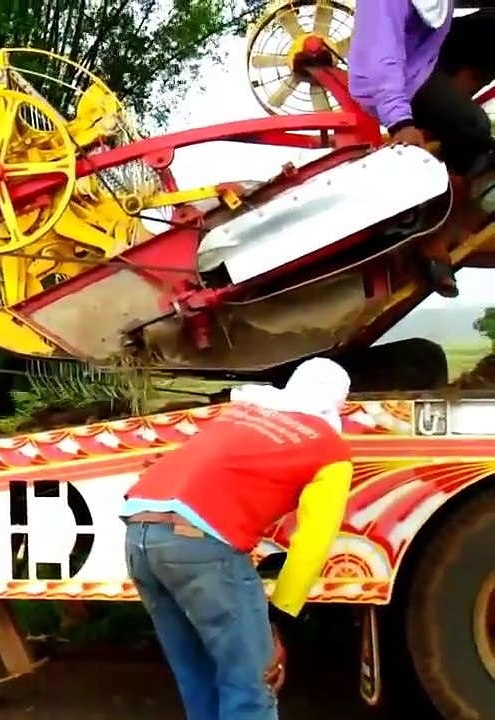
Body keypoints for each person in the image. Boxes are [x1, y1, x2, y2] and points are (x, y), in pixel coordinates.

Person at [120, 358, 354, 720]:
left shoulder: (242, 413)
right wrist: (278, 620)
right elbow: (312, 544)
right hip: (200, 544)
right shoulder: (330, 450)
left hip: (139, 534)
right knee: (252, 685)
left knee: (198, 676)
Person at [348, 0, 495, 299]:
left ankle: (453, 115)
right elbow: (381, 57)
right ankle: (435, 234)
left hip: (427, 56)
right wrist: (400, 121)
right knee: (472, 126)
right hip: (397, 78)